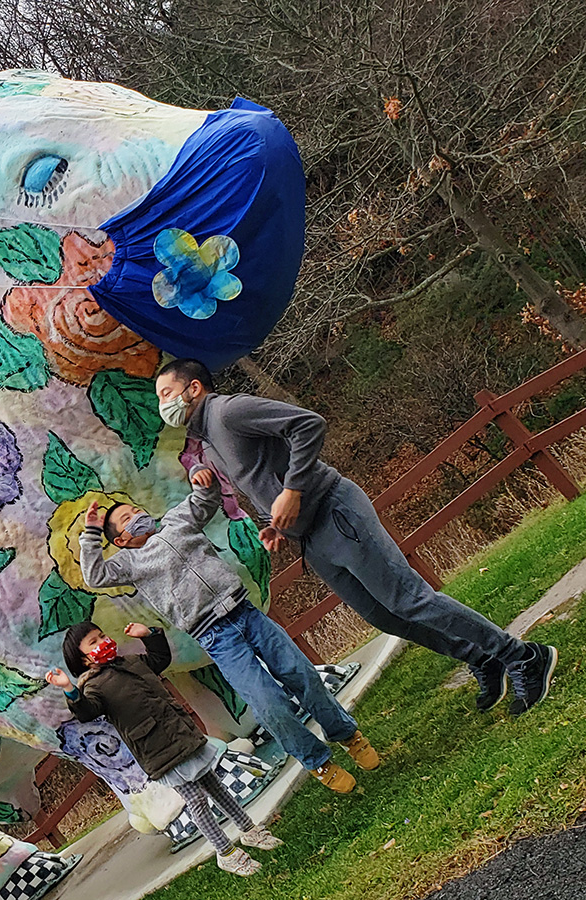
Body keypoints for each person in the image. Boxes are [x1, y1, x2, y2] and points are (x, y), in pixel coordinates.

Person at [153, 357, 558, 717]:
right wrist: (274, 524)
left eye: (167, 393)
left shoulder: (229, 412)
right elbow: (261, 478)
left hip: (335, 511)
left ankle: (521, 656)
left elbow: (308, 425)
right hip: (311, 537)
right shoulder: (210, 443)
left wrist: (293, 490)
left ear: (194, 388)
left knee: (410, 599)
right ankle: (479, 657)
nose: (163, 405)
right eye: (158, 399)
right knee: (380, 614)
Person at [78, 467, 379, 793]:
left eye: (136, 510)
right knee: (268, 702)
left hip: (246, 612)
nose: (137, 516)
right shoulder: (129, 563)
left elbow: (204, 501)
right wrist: (92, 534)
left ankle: (346, 734)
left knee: (301, 674)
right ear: (121, 540)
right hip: (216, 637)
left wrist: (200, 477)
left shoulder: (176, 522)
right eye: (127, 520)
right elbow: (95, 575)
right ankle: (317, 760)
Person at [46, 620, 282, 876]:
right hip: (158, 752)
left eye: (102, 635)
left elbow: (159, 659)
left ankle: (249, 830)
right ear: (83, 660)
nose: (103, 642)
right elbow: (87, 712)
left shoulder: (132, 661)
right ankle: (226, 852)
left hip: (182, 735)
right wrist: (69, 690)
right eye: (94, 642)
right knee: (196, 800)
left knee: (215, 786)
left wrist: (150, 635)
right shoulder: (92, 687)